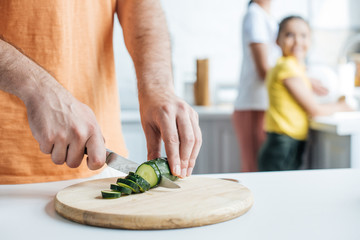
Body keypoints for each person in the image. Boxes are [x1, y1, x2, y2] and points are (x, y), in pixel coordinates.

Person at [0, 0, 202, 184]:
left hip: (101, 166)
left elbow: (141, 6)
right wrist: (38, 87)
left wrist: (158, 88)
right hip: (7, 172)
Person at [258, 16, 352, 171]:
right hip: (282, 144)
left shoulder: (291, 67)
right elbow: (315, 110)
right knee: (280, 191)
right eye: (289, 35)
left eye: (303, 35)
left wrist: (307, 80)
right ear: (277, 40)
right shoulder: (287, 68)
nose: (298, 41)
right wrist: (342, 106)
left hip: (287, 142)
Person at [232, 0, 280, 172]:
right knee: (254, 169)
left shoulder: (264, 16)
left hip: (262, 104)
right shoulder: (254, 15)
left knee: (260, 169)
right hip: (252, 104)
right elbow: (263, 70)